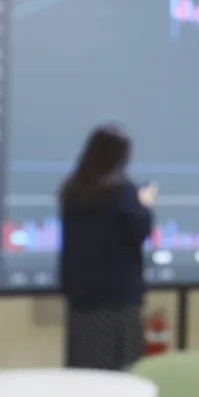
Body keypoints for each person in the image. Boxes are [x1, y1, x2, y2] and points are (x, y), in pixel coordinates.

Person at [58, 124, 157, 371]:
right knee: (122, 381)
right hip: (117, 303)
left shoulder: (72, 190)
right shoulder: (122, 194)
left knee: (87, 377)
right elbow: (139, 230)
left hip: (82, 303)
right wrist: (144, 205)